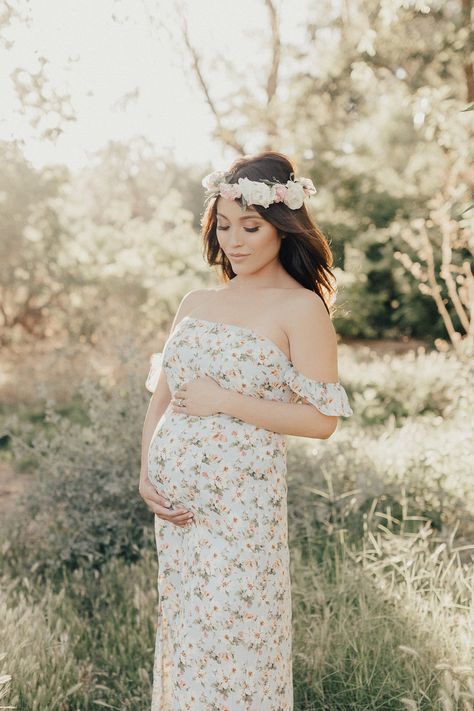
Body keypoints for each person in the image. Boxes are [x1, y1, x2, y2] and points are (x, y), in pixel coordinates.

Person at [139, 150, 353, 710]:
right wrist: (145, 475)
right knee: (188, 641)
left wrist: (225, 401)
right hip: (179, 518)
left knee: (238, 645)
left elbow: (321, 420)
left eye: (251, 227)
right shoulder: (197, 301)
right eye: (225, 226)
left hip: (241, 516)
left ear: (283, 226)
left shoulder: (300, 308)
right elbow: (162, 397)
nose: (235, 241)